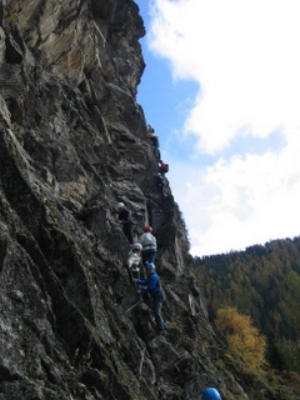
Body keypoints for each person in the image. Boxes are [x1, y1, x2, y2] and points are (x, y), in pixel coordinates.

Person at [133, 262, 166, 335]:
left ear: (151, 270)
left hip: (159, 296)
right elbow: (145, 282)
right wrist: (137, 281)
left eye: (148, 270)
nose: (147, 271)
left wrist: (141, 292)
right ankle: (162, 326)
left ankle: (161, 329)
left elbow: (150, 288)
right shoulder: (151, 276)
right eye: (147, 270)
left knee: (156, 311)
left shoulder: (154, 277)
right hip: (157, 296)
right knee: (156, 311)